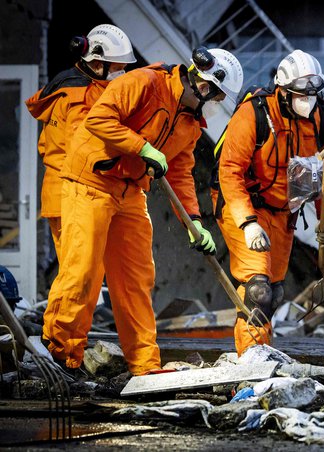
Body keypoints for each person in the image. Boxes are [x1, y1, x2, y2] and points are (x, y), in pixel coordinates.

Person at [41, 46, 244, 376]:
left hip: (131, 191)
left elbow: (179, 172)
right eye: (217, 95)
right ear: (203, 84)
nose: (216, 102)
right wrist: (142, 147)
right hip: (91, 179)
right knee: (83, 272)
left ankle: (145, 367)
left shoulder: (190, 123)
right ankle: (60, 353)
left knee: (136, 279)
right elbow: (99, 119)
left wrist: (194, 222)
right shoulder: (146, 82)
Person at [212, 49, 324, 355]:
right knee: (257, 289)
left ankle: (263, 355)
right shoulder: (254, 114)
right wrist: (248, 222)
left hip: (284, 212)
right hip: (243, 203)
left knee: (275, 291)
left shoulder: (322, 117)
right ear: (283, 90)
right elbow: (229, 172)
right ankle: (251, 362)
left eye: (312, 95)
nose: (306, 101)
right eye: (299, 95)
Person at [26, 24, 136, 260]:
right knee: (77, 277)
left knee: (78, 273)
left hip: (63, 193)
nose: (123, 74)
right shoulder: (81, 96)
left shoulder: (69, 86)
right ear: (97, 64)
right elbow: (85, 150)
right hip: (71, 195)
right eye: (119, 68)